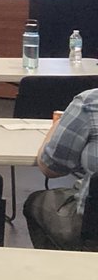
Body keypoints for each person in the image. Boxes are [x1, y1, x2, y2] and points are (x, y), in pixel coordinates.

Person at [22, 89, 98, 251]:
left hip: (93, 227)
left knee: (38, 202)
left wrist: (56, 127)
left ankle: (64, 269)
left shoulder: (90, 103)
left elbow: (51, 167)